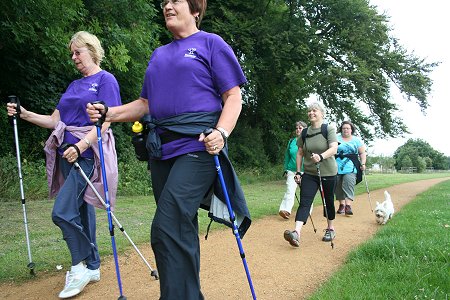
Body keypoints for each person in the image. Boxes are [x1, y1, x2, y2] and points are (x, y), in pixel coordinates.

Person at [86, 0, 248, 298]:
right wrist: (108, 112)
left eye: (175, 0)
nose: (167, 5)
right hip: (162, 152)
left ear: (196, 10)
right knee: (180, 228)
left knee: (165, 226)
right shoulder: (159, 54)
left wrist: (221, 132)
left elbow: (233, 96)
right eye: (165, 2)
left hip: (198, 146)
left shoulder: (211, 43)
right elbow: (146, 104)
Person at [6, 31, 121, 298]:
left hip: (87, 153)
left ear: (91, 50)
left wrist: (81, 146)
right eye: (72, 53)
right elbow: (53, 120)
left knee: (62, 212)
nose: (73, 57)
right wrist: (23, 113)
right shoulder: (73, 85)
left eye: (77, 52)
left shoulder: (105, 80)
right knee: (81, 212)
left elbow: (107, 121)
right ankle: (92, 266)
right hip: (65, 152)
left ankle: (79, 265)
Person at [283, 102, 338, 247]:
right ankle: (296, 233)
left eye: (314, 110)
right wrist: (299, 171)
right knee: (305, 201)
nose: (311, 113)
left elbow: (334, 148)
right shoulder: (305, 132)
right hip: (310, 173)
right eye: (309, 111)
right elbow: (300, 152)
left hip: (328, 172)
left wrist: (321, 156)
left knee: (328, 201)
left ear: (322, 113)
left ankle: (330, 228)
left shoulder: (329, 129)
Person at [335, 120, 366, 215]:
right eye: (344, 128)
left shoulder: (356, 140)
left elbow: (362, 153)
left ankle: (348, 206)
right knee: (337, 184)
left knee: (349, 183)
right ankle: (342, 205)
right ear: (341, 129)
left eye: (348, 128)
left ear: (351, 129)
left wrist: (363, 163)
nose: (346, 130)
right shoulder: (336, 138)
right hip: (336, 165)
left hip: (351, 165)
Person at [279, 120, 307, 219]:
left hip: (305, 170)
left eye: (300, 128)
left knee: (305, 192)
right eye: (297, 128)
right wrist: (286, 169)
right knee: (290, 190)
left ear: (305, 130)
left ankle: (307, 211)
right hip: (292, 169)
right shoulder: (291, 141)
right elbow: (287, 156)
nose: (298, 130)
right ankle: (286, 210)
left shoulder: (307, 141)